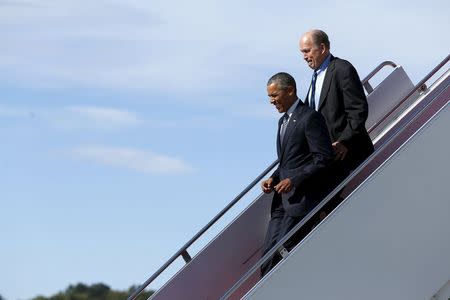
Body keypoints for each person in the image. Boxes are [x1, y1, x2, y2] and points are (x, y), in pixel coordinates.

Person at [260, 72, 334, 276]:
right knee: (267, 257)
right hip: (281, 203)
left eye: (274, 95)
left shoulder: (310, 117)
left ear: (290, 90)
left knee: (284, 252)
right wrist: (274, 178)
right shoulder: (282, 122)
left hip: (302, 199)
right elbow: (289, 161)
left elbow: (324, 158)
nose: (272, 101)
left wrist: (294, 180)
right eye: (269, 97)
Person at [299, 29, 375, 217]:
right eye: (302, 53)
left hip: (345, 153)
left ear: (323, 48)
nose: (305, 57)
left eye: (307, 51)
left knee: (321, 202)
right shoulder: (315, 78)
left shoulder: (341, 69)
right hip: (327, 156)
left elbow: (358, 110)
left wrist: (345, 141)